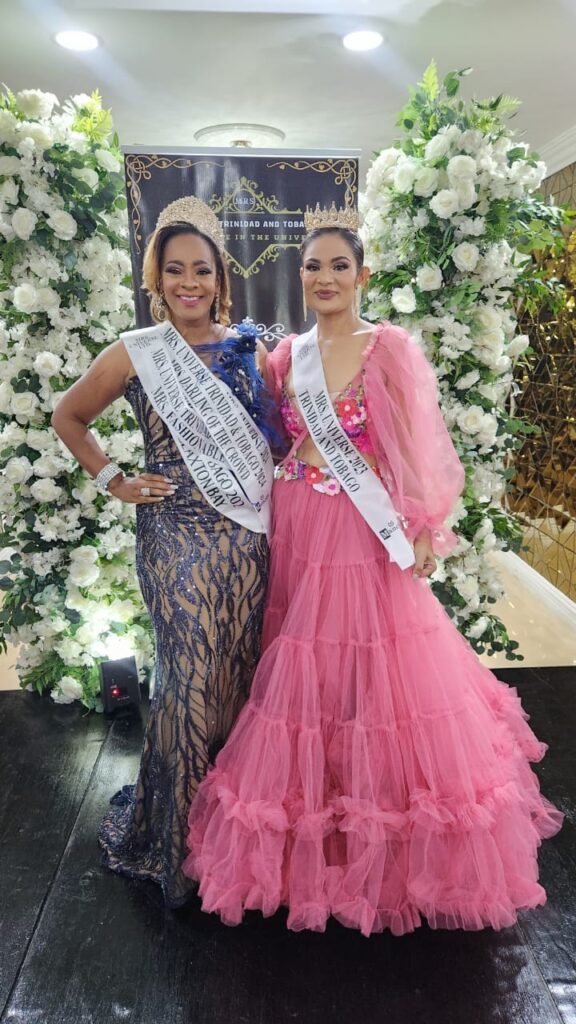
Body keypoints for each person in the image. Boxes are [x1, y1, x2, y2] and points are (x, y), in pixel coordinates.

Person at [183, 204, 562, 935]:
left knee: (374, 671)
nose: (325, 277)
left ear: (362, 274)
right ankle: (317, 817)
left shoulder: (387, 347)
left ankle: (379, 826)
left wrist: (421, 522)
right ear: (300, 278)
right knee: (303, 668)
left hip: (363, 529)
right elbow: (263, 439)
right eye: (313, 267)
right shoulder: (283, 355)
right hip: (298, 522)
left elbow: (417, 442)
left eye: (338, 265)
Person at [52, 196, 276, 906]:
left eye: (201, 270)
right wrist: (114, 477)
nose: (189, 282)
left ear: (220, 278)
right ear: (157, 277)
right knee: (186, 677)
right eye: (174, 269)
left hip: (245, 532)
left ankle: (234, 837)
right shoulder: (135, 351)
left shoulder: (250, 346)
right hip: (173, 528)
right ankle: (174, 841)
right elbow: (69, 415)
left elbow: (282, 435)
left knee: (238, 678)